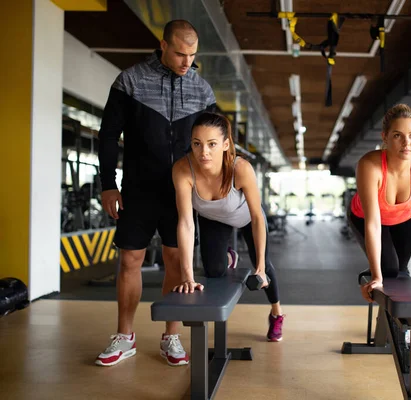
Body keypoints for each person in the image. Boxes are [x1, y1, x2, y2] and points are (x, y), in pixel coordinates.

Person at [95, 20, 227, 367]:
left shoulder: (201, 89)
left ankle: (171, 336)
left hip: (181, 191)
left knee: (175, 260)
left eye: (193, 55)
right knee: (129, 260)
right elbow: (108, 135)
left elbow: (216, 145)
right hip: (138, 188)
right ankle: (125, 336)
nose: (187, 62)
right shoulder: (131, 80)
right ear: (163, 45)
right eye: (181, 54)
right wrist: (108, 183)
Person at [171, 112, 285, 342]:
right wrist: (187, 276)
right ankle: (228, 257)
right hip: (212, 219)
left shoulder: (240, 168)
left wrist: (260, 268)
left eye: (212, 144)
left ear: (225, 144)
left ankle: (276, 313)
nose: (204, 152)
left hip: (246, 218)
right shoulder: (183, 170)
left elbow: (257, 217)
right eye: (197, 144)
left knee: (266, 267)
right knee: (214, 272)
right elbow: (185, 222)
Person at [348, 104, 411, 303]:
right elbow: (373, 223)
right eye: (397, 135)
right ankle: (376, 275)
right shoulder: (369, 165)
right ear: (385, 137)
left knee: (403, 275)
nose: (406, 143)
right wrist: (376, 276)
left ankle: (396, 330)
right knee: (388, 271)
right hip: (366, 218)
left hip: (405, 219)